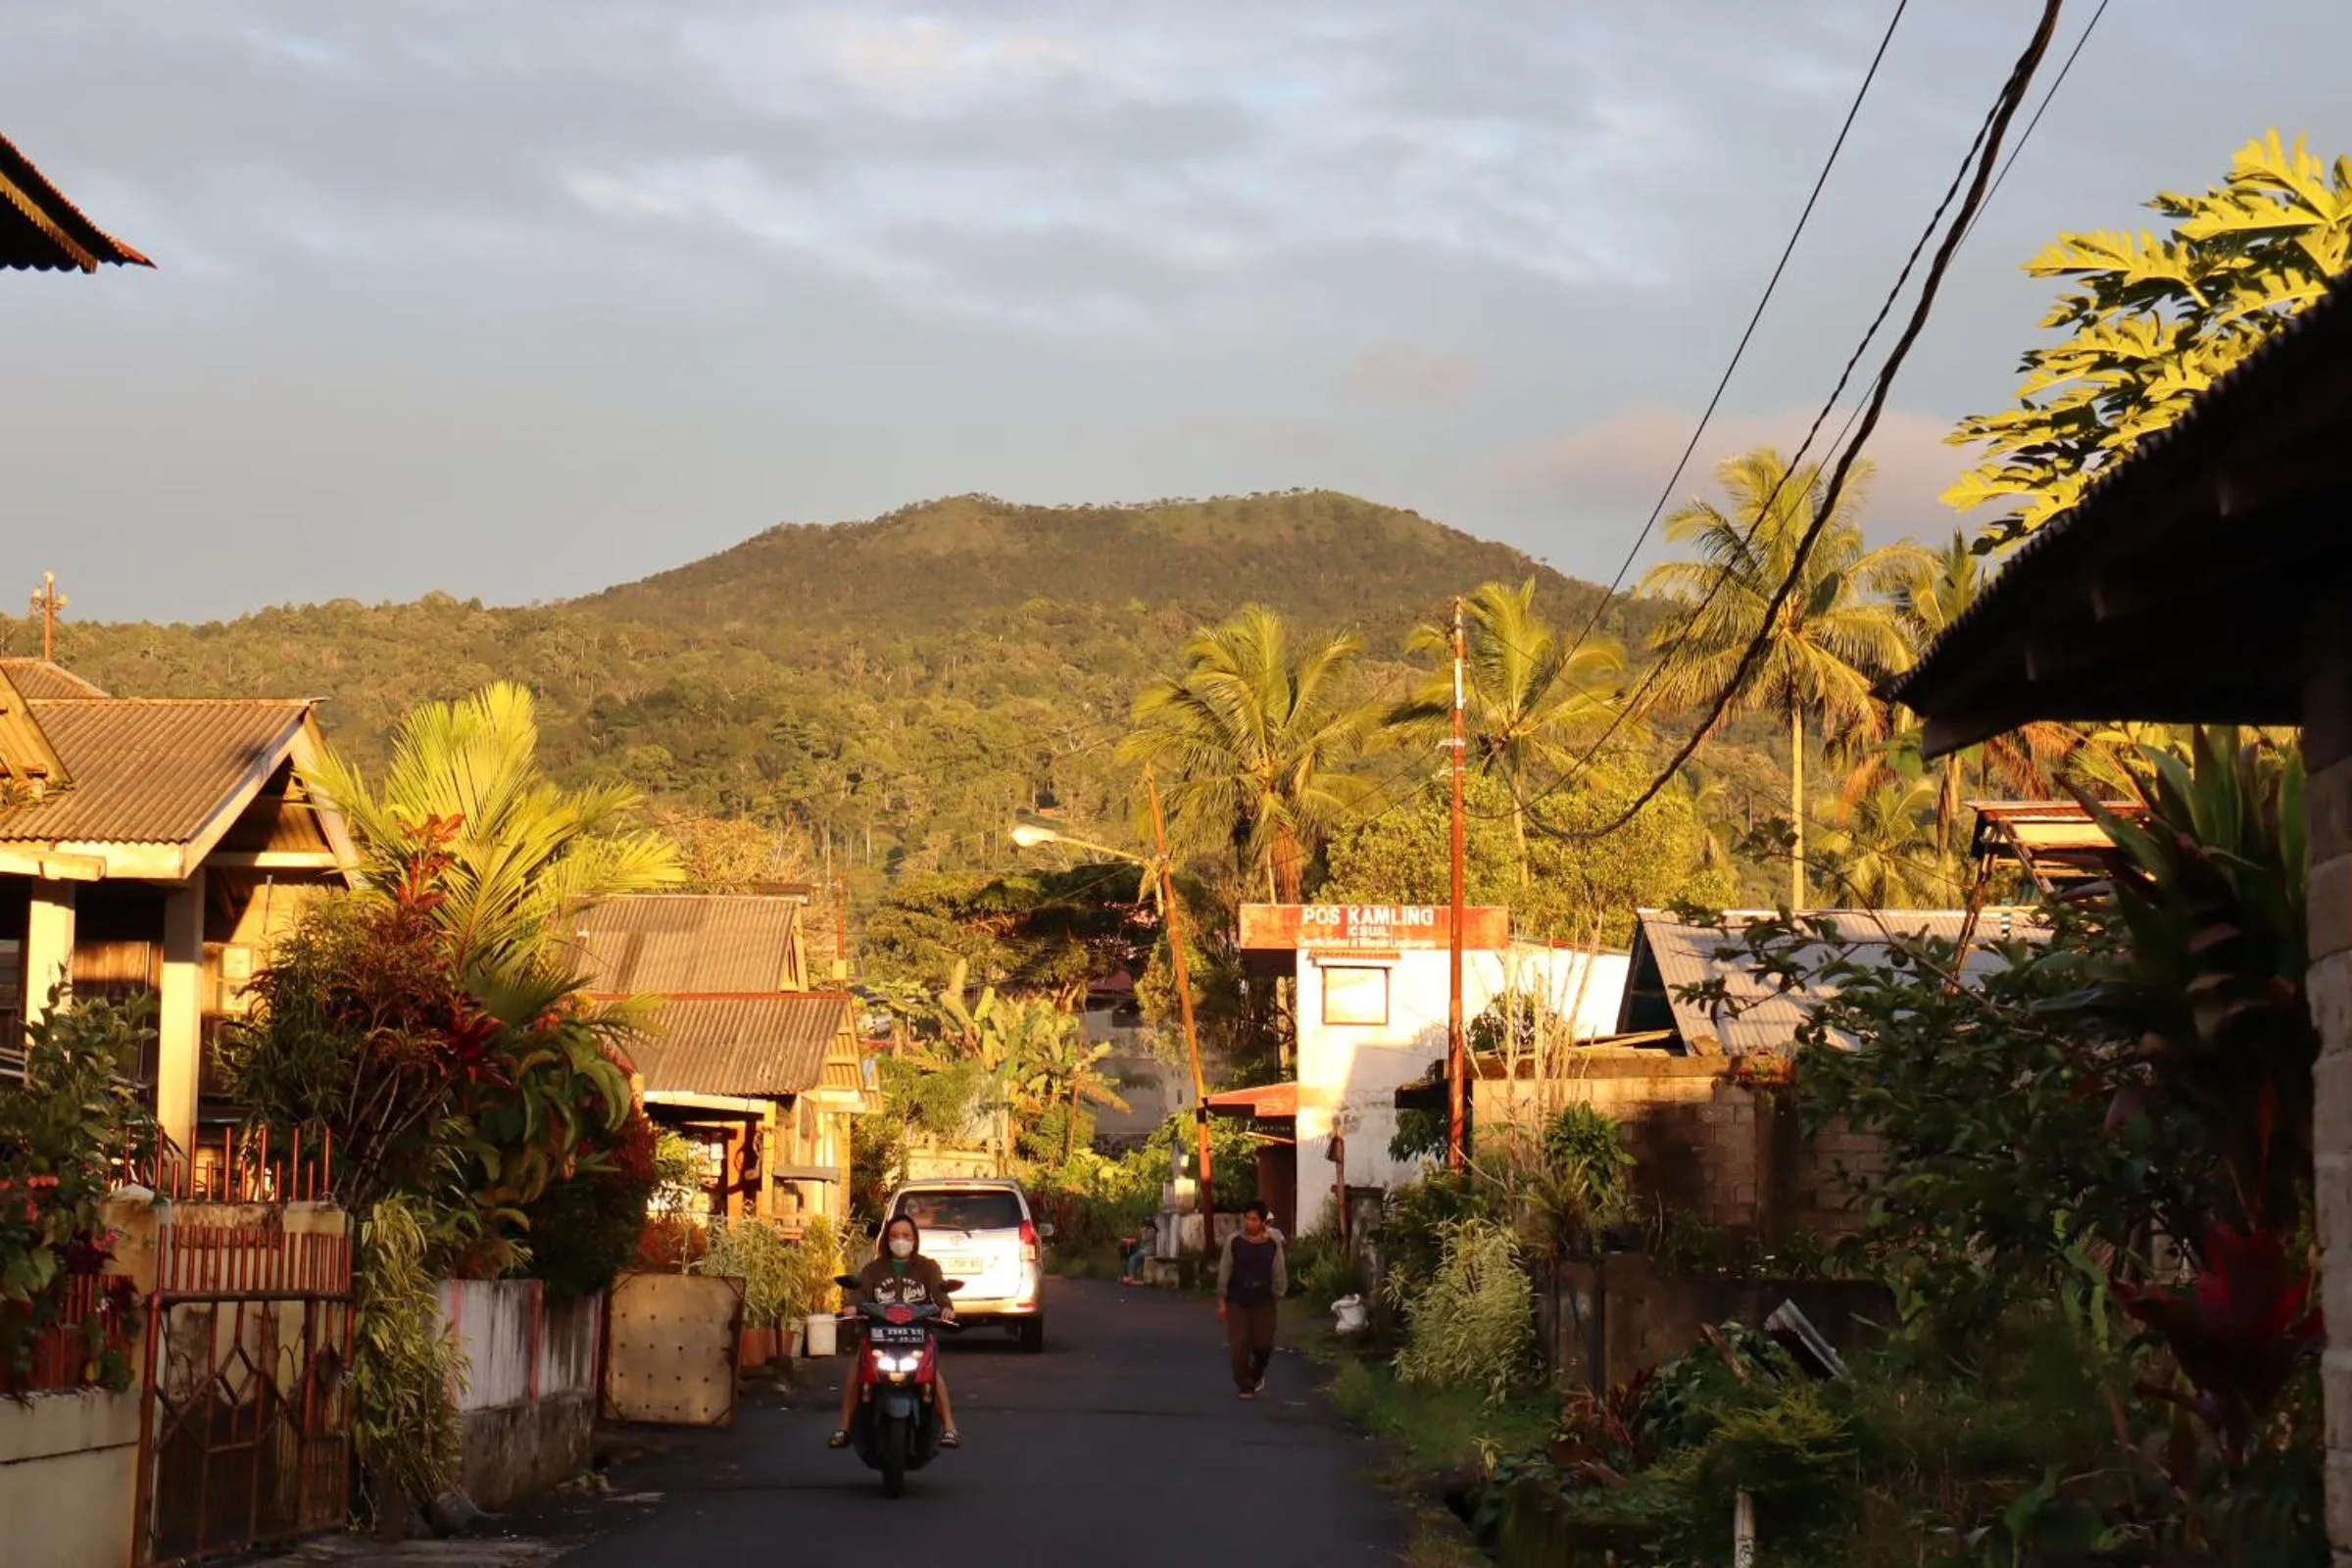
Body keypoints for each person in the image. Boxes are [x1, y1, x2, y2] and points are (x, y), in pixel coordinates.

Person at [831, 1214, 960, 1449]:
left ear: (915, 1239)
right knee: (857, 1365)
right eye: (894, 1236)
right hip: (880, 1333)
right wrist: (851, 1305)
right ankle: (844, 1427)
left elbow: (939, 1292)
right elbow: (860, 1291)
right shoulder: (873, 1269)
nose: (900, 1240)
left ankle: (950, 1427)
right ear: (886, 1240)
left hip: (917, 1334)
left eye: (906, 1235)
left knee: (932, 1371)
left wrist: (946, 1309)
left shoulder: (927, 1267)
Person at [1215, 1200, 1288, 1398]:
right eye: (1247, 1218)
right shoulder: (1235, 1241)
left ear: (1263, 1222)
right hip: (1238, 1298)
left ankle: (1256, 1375)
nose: (1250, 1223)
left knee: (1263, 1344)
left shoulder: (1272, 1243)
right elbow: (1225, 1269)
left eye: (1254, 1219)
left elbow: (1278, 1270)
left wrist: (1277, 1293)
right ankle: (1244, 1385)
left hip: (1264, 1300)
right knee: (1239, 1346)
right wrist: (1222, 1299)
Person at [1122, 1220, 1155, 1286]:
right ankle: (1131, 1275)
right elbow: (1141, 1241)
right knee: (1130, 1256)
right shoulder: (1147, 1230)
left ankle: (1131, 1277)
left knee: (1133, 1258)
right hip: (1144, 1249)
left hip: (1148, 1250)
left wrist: (1142, 1232)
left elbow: (1144, 1240)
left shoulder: (1151, 1230)